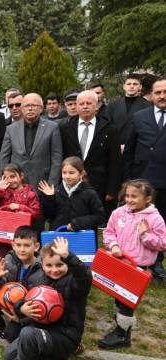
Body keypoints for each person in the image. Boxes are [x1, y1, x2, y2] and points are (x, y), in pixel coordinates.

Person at [99, 180, 166, 349]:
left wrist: (145, 236)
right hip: (119, 262)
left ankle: (122, 335)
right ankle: (121, 329)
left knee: (127, 301)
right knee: (118, 296)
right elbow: (109, 232)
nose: (129, 199)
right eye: (127, 195)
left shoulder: (155, 219)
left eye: (134, 196)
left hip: (137, 267)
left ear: (148, 199)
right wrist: (113, 246)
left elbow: (162, 243)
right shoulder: (119, 212)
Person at [4, 238, 92, 360]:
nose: (54, 270)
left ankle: (68, 349)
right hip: (41, 329)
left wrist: (69, 257)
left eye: (60, 265)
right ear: (42, 265)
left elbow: (84, 277)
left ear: (67, 264)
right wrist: (21, 308)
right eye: (49, 265)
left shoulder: (74, 282)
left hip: (64, 335)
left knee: (28, 335)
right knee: (9, 355)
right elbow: (24, 300)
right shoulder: (37, 279)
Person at [124, 78, 166, 279]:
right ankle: (136, 260)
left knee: (160, 223)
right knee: (138, 223)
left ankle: (157, 262)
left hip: (164, 180)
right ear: (151, 95)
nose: (162, 96)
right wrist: (128, 180)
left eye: (165, 92)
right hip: (143, 180)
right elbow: (130, 149)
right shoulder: (140, 116)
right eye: (158, 92)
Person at [60, 90, 121, 211]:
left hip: (99, 183)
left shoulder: (109, 129)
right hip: (71, 183)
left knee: (95, 220)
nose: (85, 106)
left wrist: (112, 190)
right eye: (81, 104)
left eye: (89, 103)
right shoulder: (65, 127)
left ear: (97, 105)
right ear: (76, 106)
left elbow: (115, 161)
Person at [0, 226, 43, 340]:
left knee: (11, 336)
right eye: (19, 245)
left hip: (26, 309)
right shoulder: (9, 259)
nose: (22, 249)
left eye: (26, 245)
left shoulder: (42, 267)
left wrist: (21, 317)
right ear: (13, 245)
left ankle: (18, 325)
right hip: (9, 302)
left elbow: (38, 301)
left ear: (36, 247)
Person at [0, 93, 63, 186]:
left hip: (43, 184)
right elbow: (4, 157)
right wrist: (4, 181)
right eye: (26, 105)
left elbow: (56, 158)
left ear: (41, 108)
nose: (30, 108)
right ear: (22, 108)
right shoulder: (11, 129)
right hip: (16, 184)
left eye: (33, 105)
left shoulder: (52, 128)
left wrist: (51, 184)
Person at [0, 163, 41, 258]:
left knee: (20, 258)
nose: (10, 180)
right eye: (6, 177)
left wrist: (20, 207)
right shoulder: (2, 191)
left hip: (21, 236)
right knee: (2, 258)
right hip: (2, 234)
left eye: (13, 176)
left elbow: (36, 214)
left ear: (21, 176)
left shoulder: (30, 194)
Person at [37, 157, 106, 233]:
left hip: (82, 238)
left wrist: (77, 223)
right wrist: (49, 198)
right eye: (64, 172)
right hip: (59, 237)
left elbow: (100, 217)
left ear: (81, 174)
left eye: (71, 173)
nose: (67, 176)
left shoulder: (90, 193)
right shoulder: (56, 192)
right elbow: (48, 216)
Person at [107, 74, 152, 144]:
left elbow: (148, 129)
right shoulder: (112, 105)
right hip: (115, 147)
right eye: (129, 84)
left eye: (135, 84)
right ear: (124, 87)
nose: (132, 86)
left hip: (138, 147)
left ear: (140, 87)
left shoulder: (147, 106)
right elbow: (107, 127)